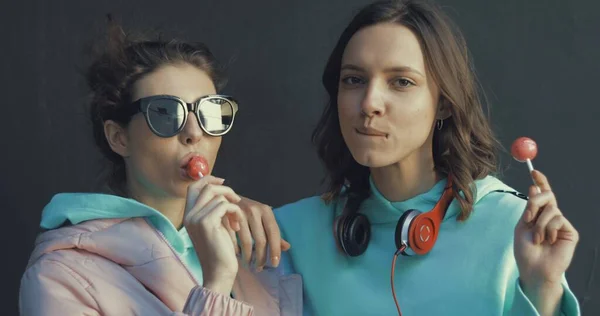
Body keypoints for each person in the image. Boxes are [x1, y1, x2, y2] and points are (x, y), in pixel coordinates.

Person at [269, 0, 581, 315]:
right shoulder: (289, 233)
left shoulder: (514, 228)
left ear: (444, 102)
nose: (369, 103)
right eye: (354, 79)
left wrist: (543, 288)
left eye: (401, 82)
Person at [18, 19, 298, 315]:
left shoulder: (252, 245)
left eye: (209, 111)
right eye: (165, 113)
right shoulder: (59, 277)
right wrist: (217, 282)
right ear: (118, 138)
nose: (194, 132)